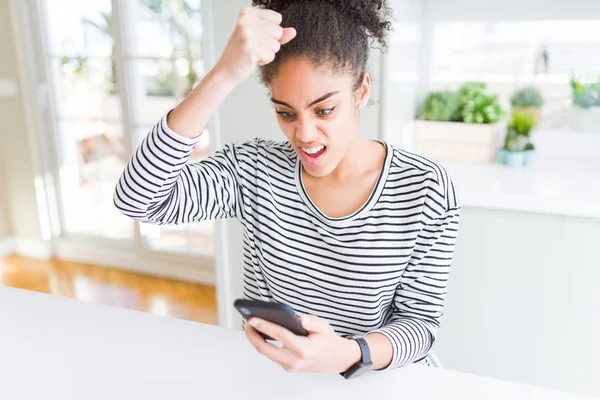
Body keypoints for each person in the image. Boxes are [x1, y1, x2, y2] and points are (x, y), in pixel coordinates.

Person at [114, 0, 460, 377]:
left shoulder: (425, 189)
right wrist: (225, 74)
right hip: (279, 380)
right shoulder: (253, 172)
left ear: (361, 91)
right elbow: (138, 200)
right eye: (286, 112)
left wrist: (349, 354)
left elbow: (420, 324)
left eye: (324, 110)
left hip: (379, 383)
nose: (305, 135)